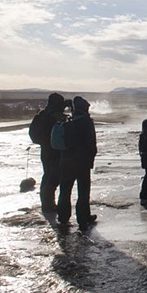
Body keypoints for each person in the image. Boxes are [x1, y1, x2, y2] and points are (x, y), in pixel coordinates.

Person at [57, 96, 98, 230]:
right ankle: (83, 218)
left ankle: (63, 217)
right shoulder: (86, 121)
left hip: (66, 160)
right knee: (83, 191)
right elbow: (91, 143)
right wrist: (91, 158)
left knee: (65, 190)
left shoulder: (69, 120)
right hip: (82, 162)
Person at [28, 92, 67, 213]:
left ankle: (46, 203)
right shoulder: (55, 116)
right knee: (53, 178)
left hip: (45, 149)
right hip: (55, 150)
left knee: (47, 176)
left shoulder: (42, 115)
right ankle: (49, 205)